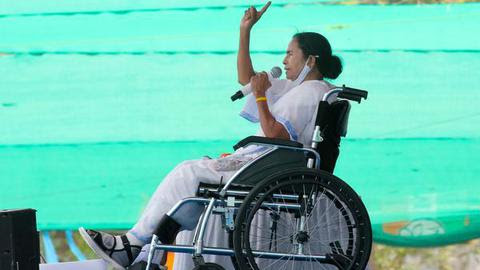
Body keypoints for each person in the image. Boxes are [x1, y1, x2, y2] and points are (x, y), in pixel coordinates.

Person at [79, 2, 343, 269]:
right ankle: (147, 253)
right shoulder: (298, 88)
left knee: (187, 174)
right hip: (265, 164)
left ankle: (133, 244)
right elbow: (246, 79)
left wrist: (262, 95)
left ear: (310, 60)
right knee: (189, 185)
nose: (284, 60)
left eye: (290, 54)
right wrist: (245, 31)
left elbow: (278, 135)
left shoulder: (309, 93)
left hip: (268, 168)